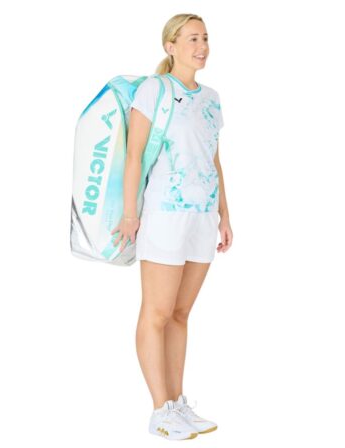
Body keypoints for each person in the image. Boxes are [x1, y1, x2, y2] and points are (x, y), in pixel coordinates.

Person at [111, 13, 233, 440]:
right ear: (171, 46)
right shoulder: (155, 89)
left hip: (202, 217)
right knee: (157, 312)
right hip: (164, 214)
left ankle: (178, 404)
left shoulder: (212, 98)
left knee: (181, 314)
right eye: (192, 39)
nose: (202, 46)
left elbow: (213, 159)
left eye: (205, 38)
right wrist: (131, 213)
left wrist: (225, 214)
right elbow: (134, 154)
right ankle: (160, 410)